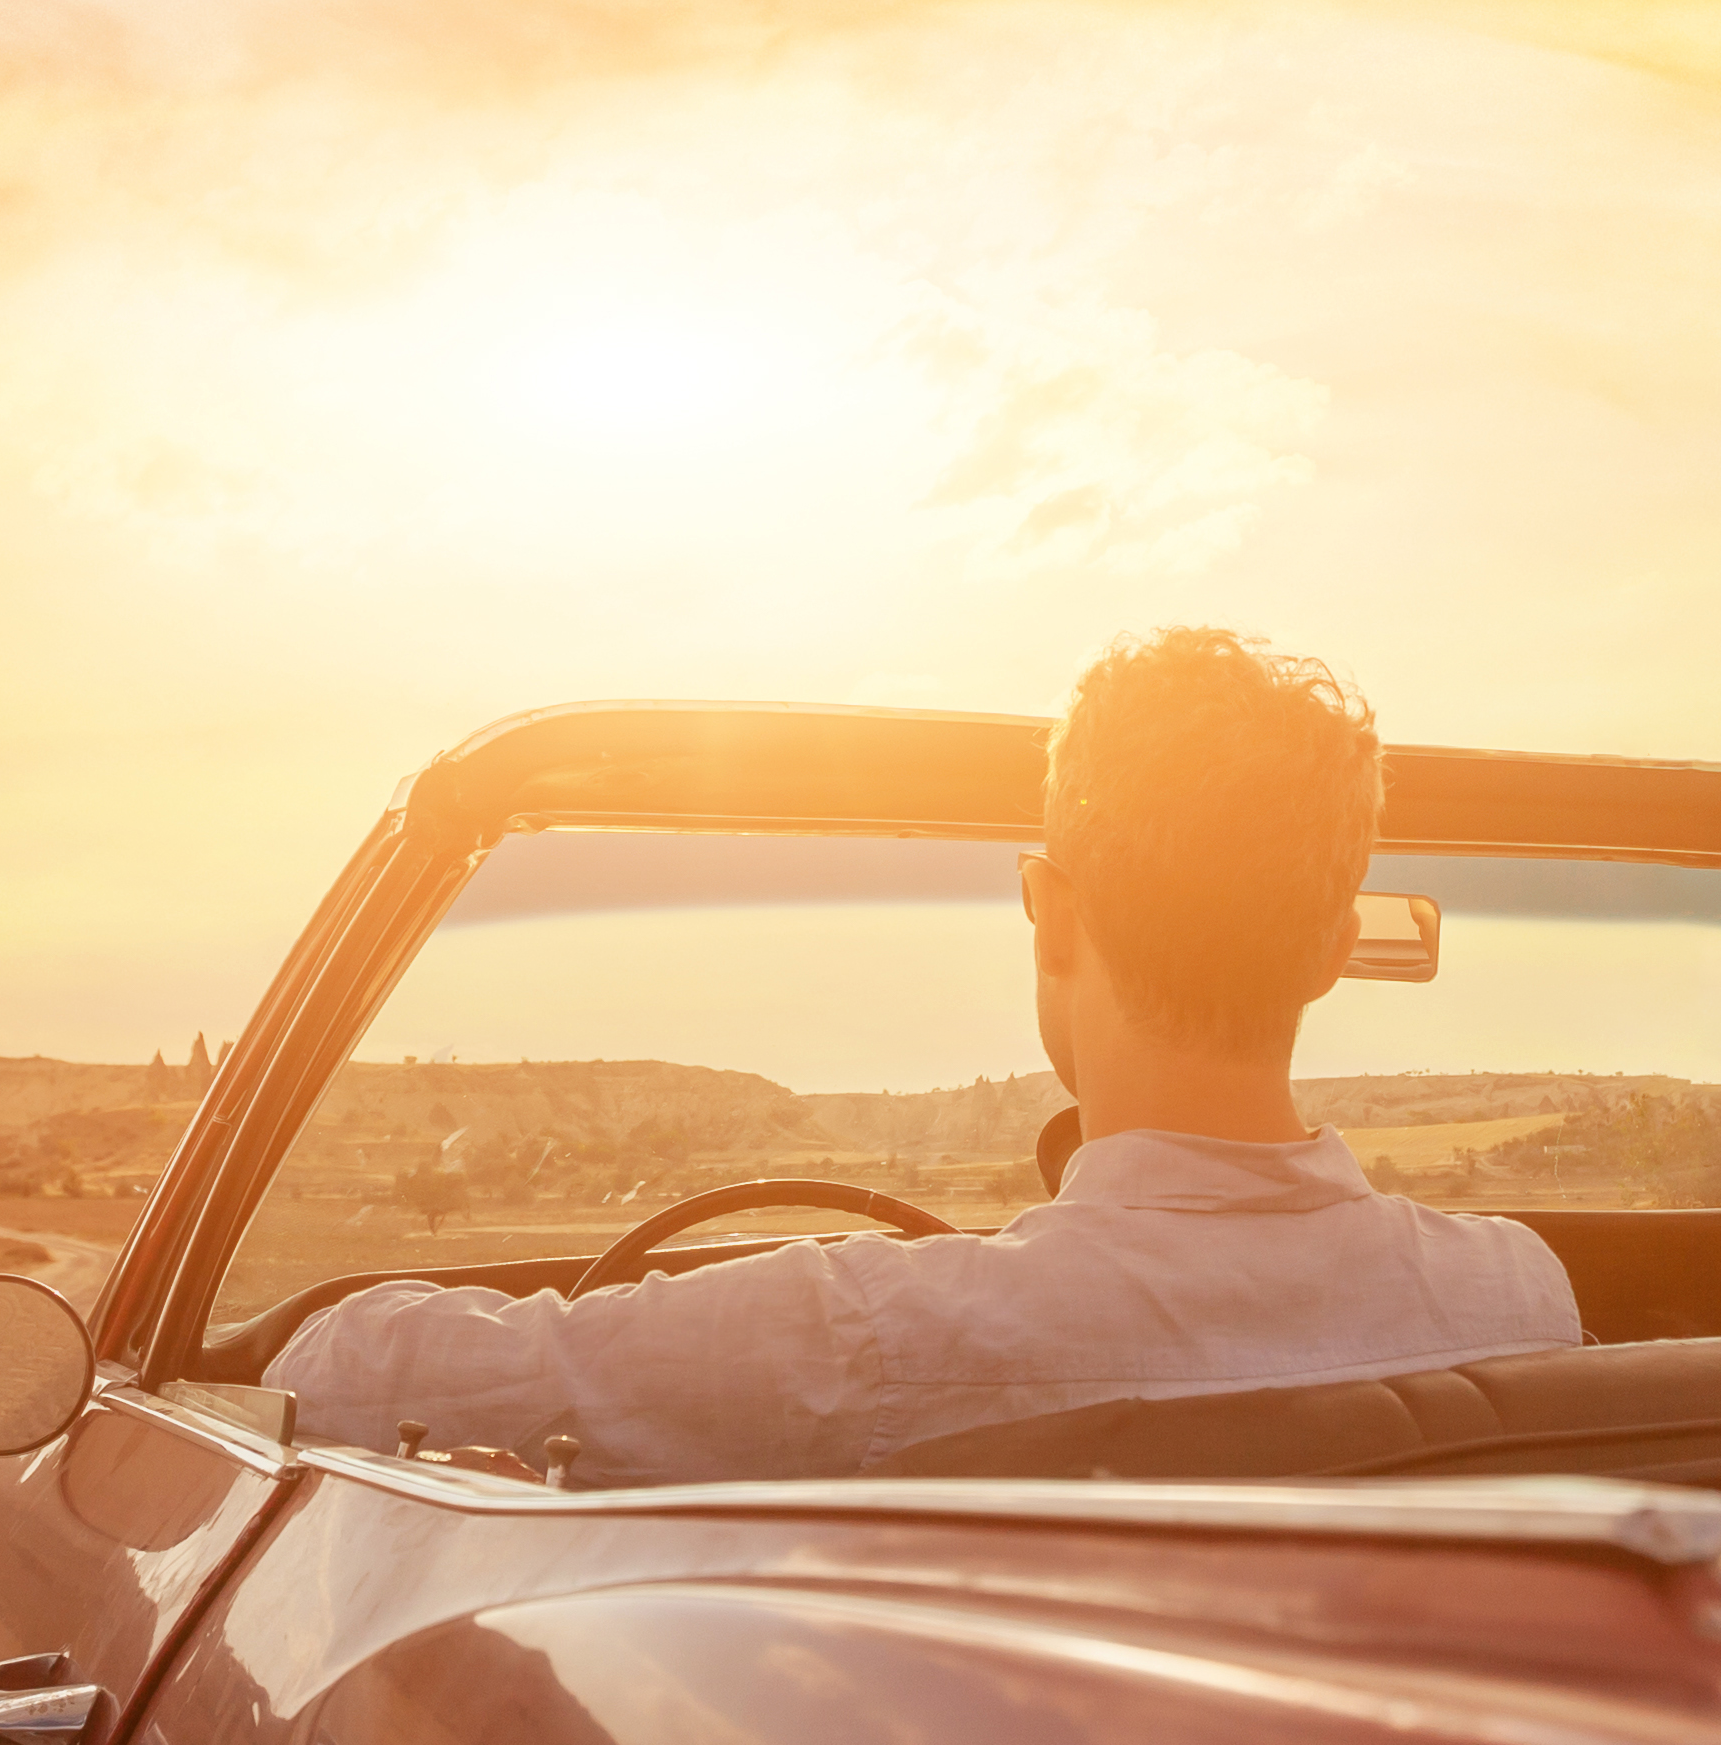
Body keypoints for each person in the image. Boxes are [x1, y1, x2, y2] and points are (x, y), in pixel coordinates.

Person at [276, 627, 1579, 1478]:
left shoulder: (867, 1335)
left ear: (1054, 911)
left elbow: (337, 1375)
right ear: (1332, 946)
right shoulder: (1518, 1304)